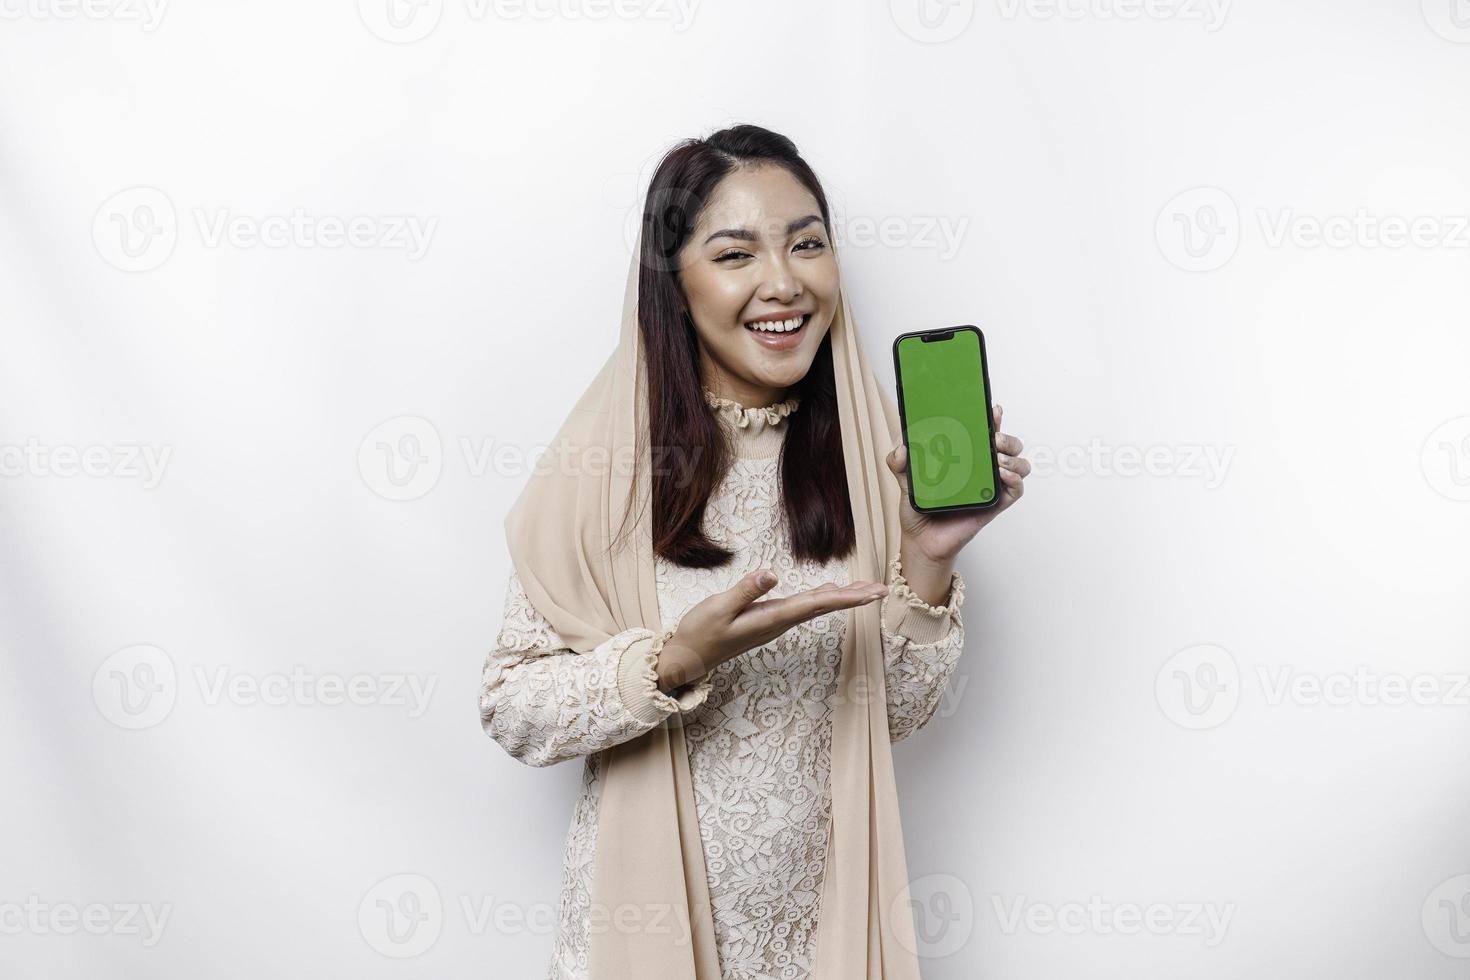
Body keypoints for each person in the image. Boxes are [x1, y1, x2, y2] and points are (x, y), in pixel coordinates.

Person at [480, 124, 1029, 980]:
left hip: (827, 929)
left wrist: (928, 558)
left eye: (807, 244)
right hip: (643, 926)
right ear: (676, 286)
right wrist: (673, 659)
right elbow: (512, 705)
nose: (784, 283)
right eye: (735, 254)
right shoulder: (607, 467)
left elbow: (889, 719)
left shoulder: (875, 458)